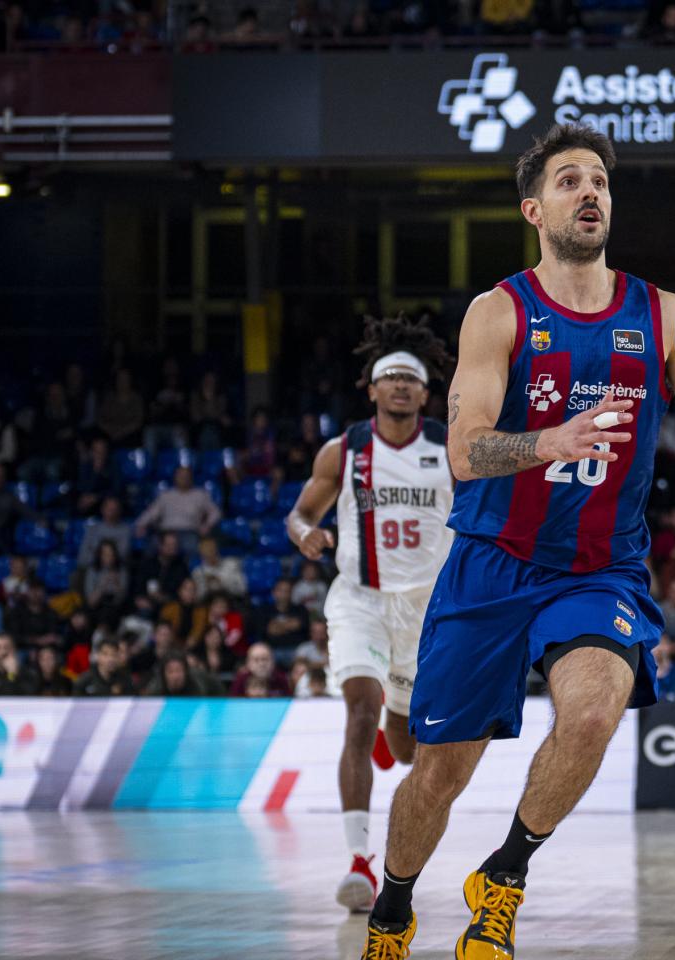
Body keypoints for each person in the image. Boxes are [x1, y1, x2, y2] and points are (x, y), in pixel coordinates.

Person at [362, 123, 675, 960]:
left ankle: (503, 877)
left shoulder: (666, 315)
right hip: (492, 563)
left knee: (593, 712)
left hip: (600, 569)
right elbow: (464, 451)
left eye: (601, 181)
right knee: (441, 774)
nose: (591, 192)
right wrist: (547, 440)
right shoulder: (499, 311)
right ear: (535, 208)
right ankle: (393, 907)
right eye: (571, 180)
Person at [284, 312, 457, 913]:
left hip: (424, 609)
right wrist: (305, 533)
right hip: (358, 597)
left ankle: (394, 725)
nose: (403, 387)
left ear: (426, 392)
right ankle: (360, 862)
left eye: (413, 379)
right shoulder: (346, 449)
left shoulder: (448, 447)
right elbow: (300, 513)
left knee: (406, 751)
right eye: (392, 379)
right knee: (359, 711)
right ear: (373, 389)